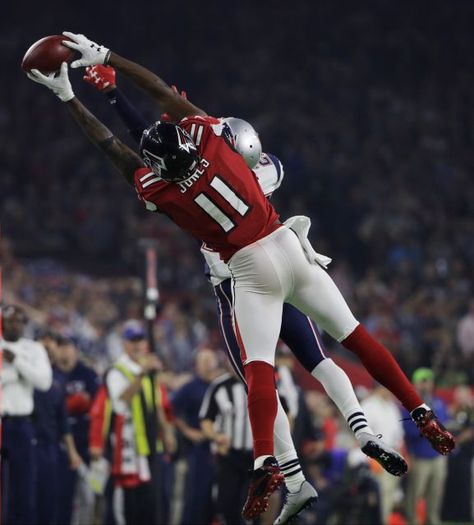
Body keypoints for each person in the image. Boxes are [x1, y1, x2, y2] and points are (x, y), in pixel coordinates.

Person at [26, 32, 455, 518]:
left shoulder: (164, 193)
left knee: (258, 371)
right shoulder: (219, 143)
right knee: (352, 337)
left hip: (246, 274)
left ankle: (268, 464)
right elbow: (166, 98)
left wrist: (69, 96)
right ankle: (419, 411)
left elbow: (119, 151)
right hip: (289, 247)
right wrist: (109, 61)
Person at [105, 320, 174, 525]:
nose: (137, 345)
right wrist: (141, 372)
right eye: (132, 340)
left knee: (153, 502)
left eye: (140, 340)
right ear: (124, 344)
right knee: (131, 505)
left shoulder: (149, 368)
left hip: (151, 445)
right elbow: (120, 403)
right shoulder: (117, 370)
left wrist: (167, 431)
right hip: (130, 450)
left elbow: (157, 403)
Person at [0, 305, 52, 525]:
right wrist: (14, 376)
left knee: (24, 486)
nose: (14, 325)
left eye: (18, 321)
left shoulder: (33, 349)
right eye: (9, 320)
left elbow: (44, 382)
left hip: (21, 425)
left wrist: (17, 362)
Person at [34, 330, 83, 525]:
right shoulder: (25, 371)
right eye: (43, 341)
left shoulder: (59, 378)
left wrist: (72, 452)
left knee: (51, 500)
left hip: (50, 445)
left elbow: (63, 418)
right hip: (27, 444)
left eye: (51, 342)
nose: (47, 346)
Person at [55, 336, 101, 525]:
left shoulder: (87, 373)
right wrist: (71, 404)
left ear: (76, 350)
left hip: (86, 444)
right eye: (62, 347)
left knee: (89, 497)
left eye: (69, 346)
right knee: (62, 497)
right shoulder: (50, 374)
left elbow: (99, 406)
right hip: (61, 446)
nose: (65, 351)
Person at [171, 349, 220, 525]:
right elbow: (171, 409)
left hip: (221, 448)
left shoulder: (220, 385)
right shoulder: (191, 387)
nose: (207, 364)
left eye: (210, 360)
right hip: (200, 448)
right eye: (203, 361)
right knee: (197, 494)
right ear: (197, 365)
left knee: (217, 497)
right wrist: (187, 431)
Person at [402, 368, 449, 525]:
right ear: (414, 384)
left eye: (428, 381)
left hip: (438, 457)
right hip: (419, 457)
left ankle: (433, 520)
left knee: (436, 493)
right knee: (415, 494)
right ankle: (412, 520)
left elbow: (443, 426)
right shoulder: (408, 406)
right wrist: (428, 425)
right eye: (422, 381)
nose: (426, 385)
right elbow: (410, 432)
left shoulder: (438, 403)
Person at [361, 384, 405, 524]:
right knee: (378, 495)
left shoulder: (392, 407)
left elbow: (398, 434)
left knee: (390, 494)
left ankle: (383, 521)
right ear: (380, 388)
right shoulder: (368, 405)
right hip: (377, 455)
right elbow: (363, 435)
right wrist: (372, 457)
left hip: (393, 454)